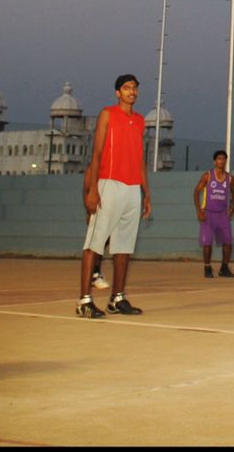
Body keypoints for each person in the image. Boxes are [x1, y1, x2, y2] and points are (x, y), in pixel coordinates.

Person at [77, 74, 151, 318]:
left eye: (135, 88)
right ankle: (84, 301)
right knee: (95, 243)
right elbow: (97, 153)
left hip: (132, 188)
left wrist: (146, 192)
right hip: (109, 183)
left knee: (124, 247)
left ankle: (117, 298)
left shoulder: (140, 121)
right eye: (127, 88)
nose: (132, 92)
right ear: (118, 92)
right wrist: (93, 189)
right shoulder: (108, 114)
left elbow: (140, 159)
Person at [194, 150, 234, 277]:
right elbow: (196, 192)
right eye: (219, 158)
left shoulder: (230, 178)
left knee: (228, 241)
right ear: (215, 161)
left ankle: (224, 268)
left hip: (222, 214)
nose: (221, 161)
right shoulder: (207, 176)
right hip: (208, 213)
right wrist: (199, 211)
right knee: (207, 242)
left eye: (224, 159)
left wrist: (232, 208)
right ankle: (207, 267)